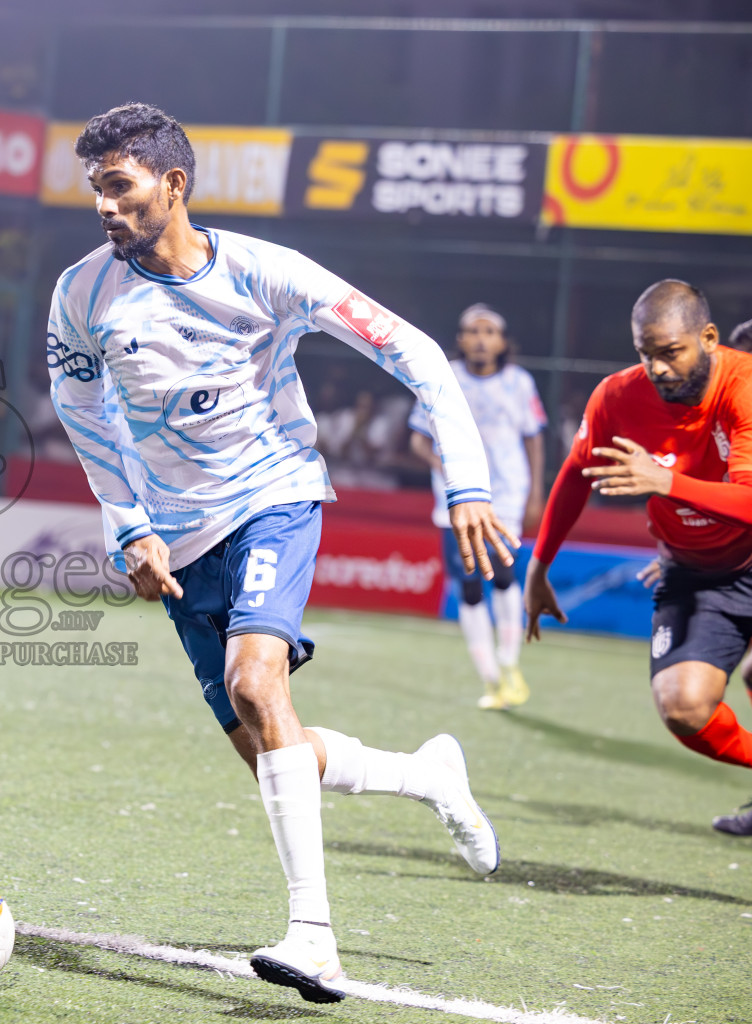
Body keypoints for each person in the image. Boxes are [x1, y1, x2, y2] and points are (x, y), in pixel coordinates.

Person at [48, 103, 512, 1004]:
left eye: (120, 186)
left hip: (274, 498)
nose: (103, 206)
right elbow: (81, 414)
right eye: (95, 189)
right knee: (270, 749)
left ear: (172, 186)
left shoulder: (268, 274)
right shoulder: (80, 295)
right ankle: (428, 776)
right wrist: (129, 526)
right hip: (178, 541)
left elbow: (416, 353)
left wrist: (466, 483)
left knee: (260, 687)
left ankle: (315, 941)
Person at [528, 280, 752, 838]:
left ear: (708, 337)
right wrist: (539, 566)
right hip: (692, 572)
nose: (656, 367)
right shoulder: (617, 396)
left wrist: (665, 481)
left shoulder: (742, 385)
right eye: (645, 354)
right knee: (682, 707)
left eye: (670, 352)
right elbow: (577, 474)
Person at [409, 304, 546, 710]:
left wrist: (537, 490)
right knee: (468, 584)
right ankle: (489, 678)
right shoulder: (443, 378)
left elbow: (534, 437)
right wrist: (443, 463)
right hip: (457, 498)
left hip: (506, 494)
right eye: (473, 330)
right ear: (461, 339)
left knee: (503, 574)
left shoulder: (519, 382)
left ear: (502, 342)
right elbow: (418, 437)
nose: (481, 338)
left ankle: (510, 664)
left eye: (490, 331)